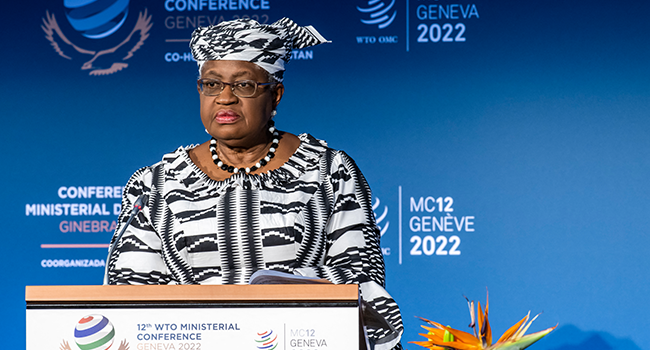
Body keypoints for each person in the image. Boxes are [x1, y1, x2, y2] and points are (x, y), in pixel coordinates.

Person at [104, 17, 403, 350]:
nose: (225, 98)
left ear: (275, 96)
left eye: (244, 85)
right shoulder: (156, 185)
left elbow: (361, 276)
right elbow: (129, 291)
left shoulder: (328, 172)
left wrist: (281, 294)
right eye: (212, 84)